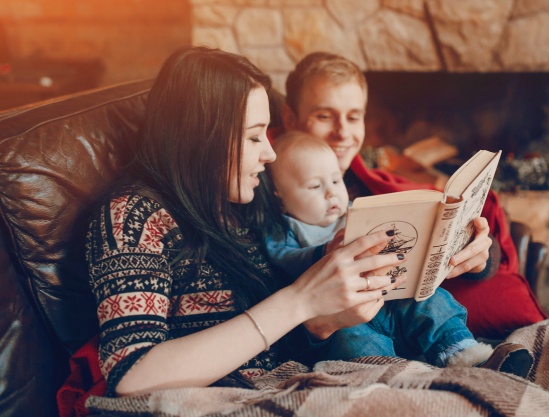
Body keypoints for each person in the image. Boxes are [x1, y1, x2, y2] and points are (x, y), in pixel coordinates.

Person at [85, 45, 409, 397]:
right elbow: (133, 376)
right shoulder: (133, 216)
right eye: (255, 137)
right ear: (200, 137)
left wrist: (321, 323)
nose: (269, 154)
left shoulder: (247, 201)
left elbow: (271, 348)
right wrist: (300, 300)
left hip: (297, 381)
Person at [276, 51, 548, 340]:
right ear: (291, 119)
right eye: (324, 116)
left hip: (406, 317)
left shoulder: (369, 184)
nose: (343, 133)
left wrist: (478, 251)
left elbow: (444, 235)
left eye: (354, 117)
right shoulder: (271, 190)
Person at [264, 130, 504, 369]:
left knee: (433, 302)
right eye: (315, 186)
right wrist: (324, 252)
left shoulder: (358, 210)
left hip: (394, 294)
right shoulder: (283, 228)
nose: (331, 193)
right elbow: (282, 258)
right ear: (281, 199)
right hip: (341, 315)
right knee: (352, 342)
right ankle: (392, 374)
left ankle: (464, 353)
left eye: (337, 180)